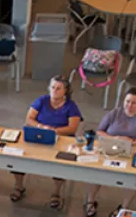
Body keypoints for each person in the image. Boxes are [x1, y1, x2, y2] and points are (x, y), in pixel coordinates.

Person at [81, 87, 136, 217]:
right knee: (96, 171)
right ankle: (90, 201)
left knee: (132, 177)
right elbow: (100, 131)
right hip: (110, 148)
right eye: (127, 101)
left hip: (132, 151)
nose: (129, 105)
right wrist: (114, 138)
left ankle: (124, 207)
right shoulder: (115, 113)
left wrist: (133, 141)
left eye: (134, 103)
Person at [10, 76, 83, 208]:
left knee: (59, 164)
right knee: (20, 157)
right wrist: (41, 127)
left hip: (61, 139)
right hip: (39, 135)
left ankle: (56, 192)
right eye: (52, 87)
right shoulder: (42, 100)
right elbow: (29, 119)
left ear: (65, 91)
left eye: (58, 88)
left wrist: (55, 131)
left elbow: (72, 128)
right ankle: (19, 186)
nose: (54, 90)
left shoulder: (71, 107)